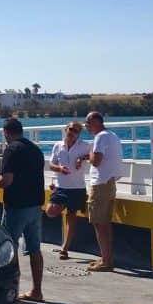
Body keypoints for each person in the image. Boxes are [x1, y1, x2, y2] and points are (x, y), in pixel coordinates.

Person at [0, 118, 45, 301]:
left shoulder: (11, 149)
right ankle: (37, 291)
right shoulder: (35, 150)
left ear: (6, 132)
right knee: (35, 249)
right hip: (35, 206)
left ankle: (8, 292)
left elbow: (7, 181)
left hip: (17, 207)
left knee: (8, 249)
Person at [79, 111, 122, 272]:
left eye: (88, 122)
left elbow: (96, 161)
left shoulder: (100, 137)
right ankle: (106, 257)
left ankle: (106, 261)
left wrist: (89, 153)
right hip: (110, 183)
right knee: (105, 223)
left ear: (96, 121)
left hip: (101, 184)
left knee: (99, 223)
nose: (86, 126)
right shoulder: (112, 135)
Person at [46, 121, 90, 260]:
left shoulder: (85, 145)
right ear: (66, 129)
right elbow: (51, 164)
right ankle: (62, 205)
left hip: (77, 188)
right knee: (50, 211)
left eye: (76, 131)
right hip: (61, 187)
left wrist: (81, 158)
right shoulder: (58, 145)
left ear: (79, 134)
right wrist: (59, 169)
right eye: (71, 129)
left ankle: (64, 248)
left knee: (71, 217)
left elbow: (96, 155)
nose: (72, 132)